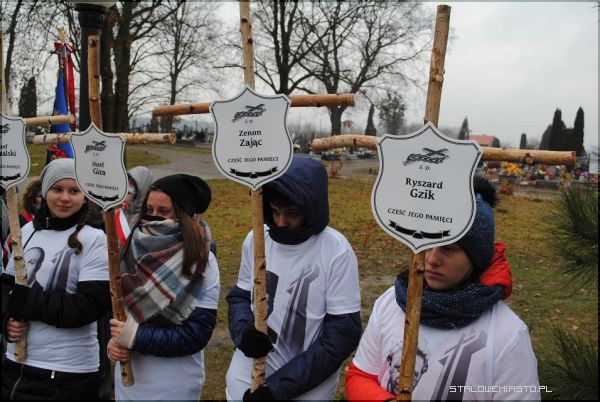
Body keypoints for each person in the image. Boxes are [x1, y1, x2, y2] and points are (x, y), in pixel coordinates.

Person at [345, 177, 540, 401]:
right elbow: (360, 376)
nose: (431, 259)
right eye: (427, 243)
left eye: (448, 249)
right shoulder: (392, 302)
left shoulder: (507, 335)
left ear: (476, 258)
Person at [225, 156, 362, 400]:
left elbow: (341, 335)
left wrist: (278, 389)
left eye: (292, 213)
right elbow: (241, 297)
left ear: (311, 209)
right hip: (248, 376)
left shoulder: (335, 250)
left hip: (306, 385)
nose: (280, 222)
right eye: (275, 211)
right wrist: (243, 333)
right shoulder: (256, 239)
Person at [1, 158, 111, 400]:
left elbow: (88, 306)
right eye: (57, 189)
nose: (65, 198)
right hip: (16, 364)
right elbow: (7, 290)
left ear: (85, 196)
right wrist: (7, 320)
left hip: (66, 372)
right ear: (44, 192)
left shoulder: (95, 239)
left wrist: (26, 302)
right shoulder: (25, 232)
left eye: (74, 191)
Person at [107, 173, 220, 401]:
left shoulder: (201, 261)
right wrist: (115, 343)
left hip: (174, 383)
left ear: (182, 214)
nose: (153, 217)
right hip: (129, 381)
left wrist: (135, 336)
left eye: (163, 211)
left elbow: (196, 334)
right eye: (149, 209)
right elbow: (119, 314)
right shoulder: (129, 249)